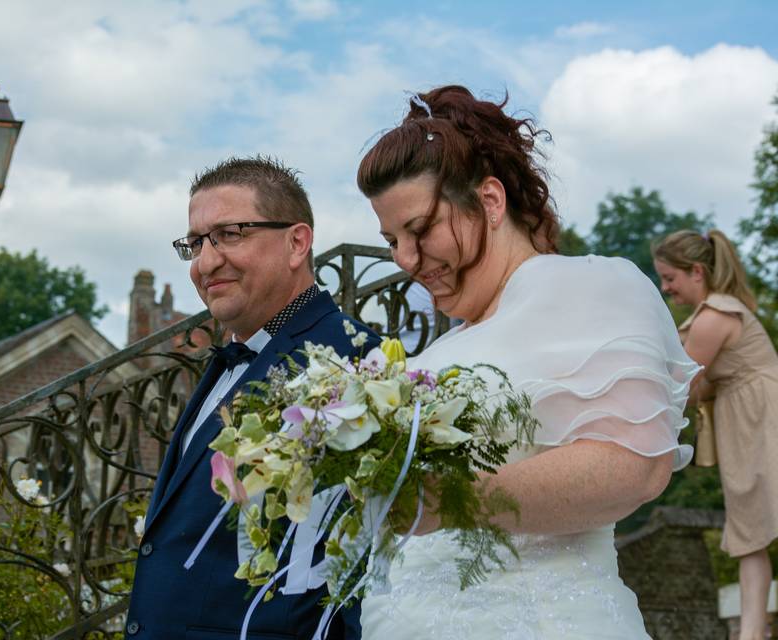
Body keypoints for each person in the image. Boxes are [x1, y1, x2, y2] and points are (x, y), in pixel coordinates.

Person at [355, 85, 699, 638]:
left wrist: (446, 502)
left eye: (419, 230)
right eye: (392, 239)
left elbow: (635, 466)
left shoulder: (589, 284)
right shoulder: (436, 352)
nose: (406, 260)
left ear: (490, 201)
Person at [124, 156, 377, 639]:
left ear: (297, 243)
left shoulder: (354, 363)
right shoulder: (227, 360)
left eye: (231, 233)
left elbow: (368, 564)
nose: (206, 261)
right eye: (196, 242)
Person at [653, 229, 778, 640]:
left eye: (670, 277)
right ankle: (752, 633)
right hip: (746, 422)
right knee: (749, 534)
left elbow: (682, 388)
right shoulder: (712, 316)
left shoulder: (714, 317)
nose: (665, 287)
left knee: (754, 530)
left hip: (763, 420)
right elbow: (698, 383)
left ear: (696, 272)